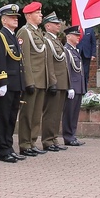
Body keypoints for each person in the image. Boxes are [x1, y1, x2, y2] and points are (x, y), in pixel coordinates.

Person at [16, 1, 53, 157]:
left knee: (36, 114)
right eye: (38, 13)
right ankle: (24, 144)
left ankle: (32, 141)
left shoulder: (38, 33)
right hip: (32, 79)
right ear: (29, 15)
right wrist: (28, 81)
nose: (41, 15)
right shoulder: (25, 32)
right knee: (27, 114)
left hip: (41, 79)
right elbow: (24, 59)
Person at [0, 4, 26, 163]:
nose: (15, 20)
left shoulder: (13, 36)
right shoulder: (1, 36)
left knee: (12, 118)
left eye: (16, 18)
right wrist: (2, 82)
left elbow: (19, 62)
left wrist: (22, 83)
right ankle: (3, 151)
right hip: (6, 84)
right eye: (12, 18)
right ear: (4, 20)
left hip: (16, 83)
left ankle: (9, 147)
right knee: (3, 118)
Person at [40, 12, 69, 152]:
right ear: (48, 26)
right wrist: (52, 82)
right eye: (55, 23)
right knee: (50, 112)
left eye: (58, 23)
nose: (58, 25)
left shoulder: (56, 40)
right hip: (55, 82)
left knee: (57, 113)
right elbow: (48, 63)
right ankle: (47, 140)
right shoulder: (47, 41)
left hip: (62, 82)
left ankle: (53, 138)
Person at [62, 26, 86, 146]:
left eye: (78, 35)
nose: (78, 37)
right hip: (72, 86)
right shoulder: (66, 50)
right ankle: (68, 136)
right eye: (75, 35)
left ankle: (72, 135)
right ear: (68, 36)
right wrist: (69, 86)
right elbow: (67, 69)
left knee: (75, 113)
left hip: (78, 86)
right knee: (69, 113)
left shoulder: (74, 50)